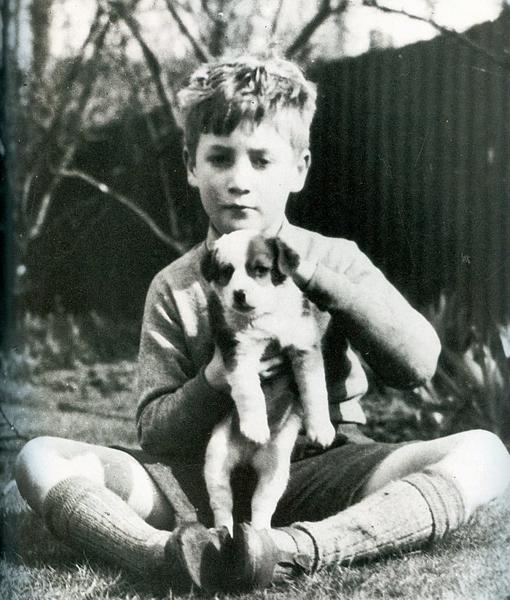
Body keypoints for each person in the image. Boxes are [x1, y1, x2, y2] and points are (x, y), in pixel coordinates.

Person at [14, 55, 510, 593]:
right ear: (190, 164)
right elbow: (154, 430)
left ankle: (297, 549)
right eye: (220, 158)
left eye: (262, 160)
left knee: (485, 452)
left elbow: (419, 363)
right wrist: (213, 381)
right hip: (201, 478)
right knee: (39, 456)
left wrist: (319, 280)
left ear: (298, 169)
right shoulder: (176, 286)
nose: (239, 182)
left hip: (326, 466)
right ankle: (161, 554)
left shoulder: (335, 259)